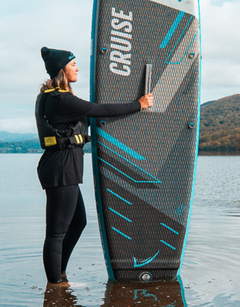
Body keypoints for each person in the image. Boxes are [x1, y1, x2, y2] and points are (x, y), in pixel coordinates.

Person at [35, 46, 153, 286]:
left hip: (62, 168)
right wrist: (138, 104)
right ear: (61, 70)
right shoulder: (60, 99)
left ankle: (60, 274)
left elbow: (87, 116)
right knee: (56, 232)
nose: (77, 68)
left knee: (78, 223)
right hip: (62, 169)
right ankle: (55, 285)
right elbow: (99, 110)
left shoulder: (53, 97)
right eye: (72, 64)